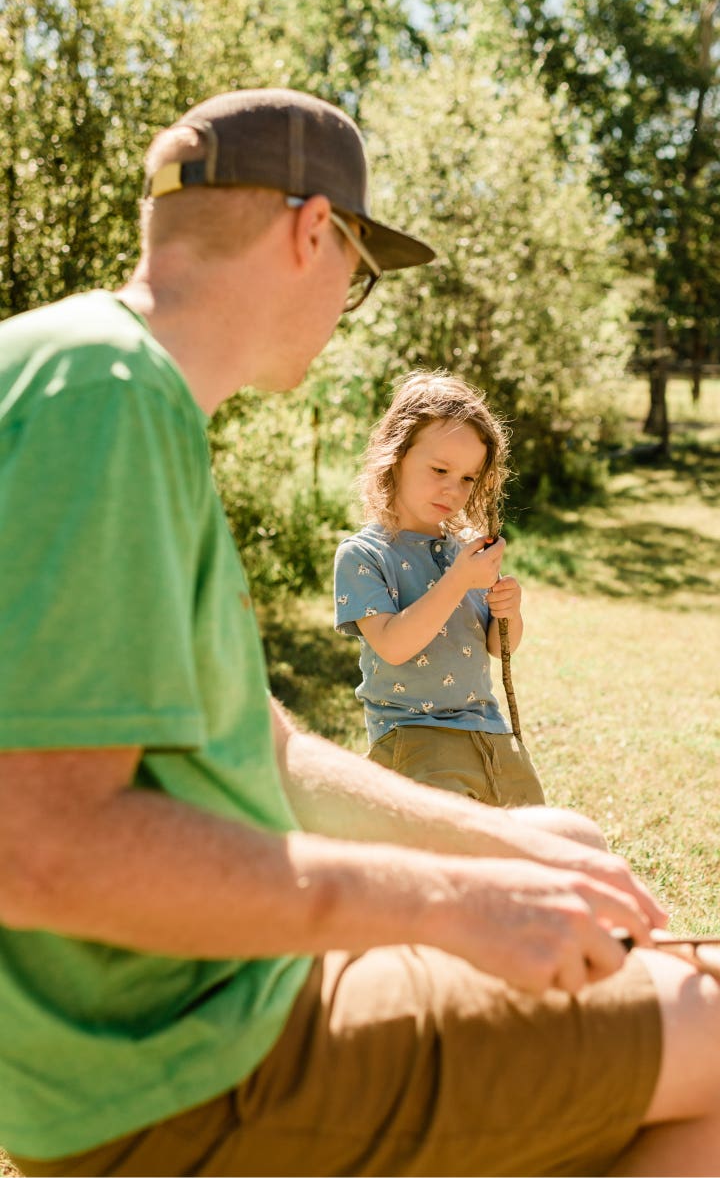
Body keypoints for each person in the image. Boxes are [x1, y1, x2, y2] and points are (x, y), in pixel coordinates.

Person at [0, 87, 719, 1178]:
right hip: (193, 1066)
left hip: (219, 1014)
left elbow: (266, 744)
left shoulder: (91, 377)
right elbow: (42, 846)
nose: (348, 303)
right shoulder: (106, 392)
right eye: (361, 273)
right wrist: (457, 898)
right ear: (312, 233)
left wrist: (500, 839)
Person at [334, 369, 545, 807]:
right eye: (439, 469)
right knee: (455, 854)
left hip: (488, 731)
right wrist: (458, 580)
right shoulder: (364, 555)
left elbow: (495, 645)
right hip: (415, 737)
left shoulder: (462, 552)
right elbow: (393, 646)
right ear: (395, 456)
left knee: (537, 840)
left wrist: (509, 612)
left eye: (468, 478)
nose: (453, 488)